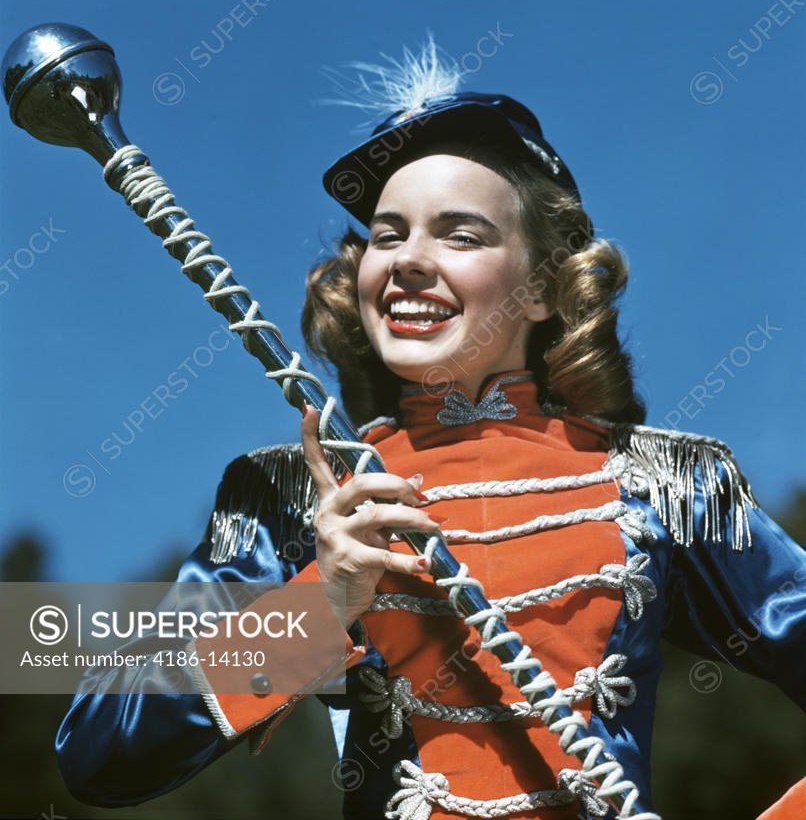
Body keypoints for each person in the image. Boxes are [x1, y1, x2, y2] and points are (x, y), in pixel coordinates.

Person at [55, 40, 806, 819]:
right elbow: (97, 745)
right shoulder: (295, 499)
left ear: (542, 287)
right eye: (387, 235)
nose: (408, 260)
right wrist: (322, 603)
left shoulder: (668, 487)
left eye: (460, 235)